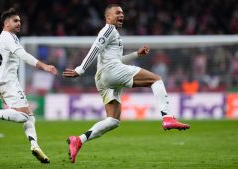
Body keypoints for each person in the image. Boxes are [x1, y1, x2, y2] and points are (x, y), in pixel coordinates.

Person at [63, 4, 190, 163]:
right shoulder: (108, 30)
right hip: (111, 71)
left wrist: (136, 54)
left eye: (122, 13)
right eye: (117, 13)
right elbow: (94, 49)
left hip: (103, 77)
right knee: (156, 80)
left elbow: (117, 60)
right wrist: (80, 70)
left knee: (113, 120)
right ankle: (168, 118)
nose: (121, 15)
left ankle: (79, 140)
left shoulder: (113, 34)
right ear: (108, 17)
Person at [0, 8, 58, 164]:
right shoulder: (8, 38)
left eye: (20, 21)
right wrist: (44, 66)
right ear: (6, 23)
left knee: (29, 116)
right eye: (15, 21)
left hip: (1, 84)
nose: (19, 23)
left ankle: (34, 145)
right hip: (9, 82)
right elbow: (22, 55)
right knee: (23, 116)